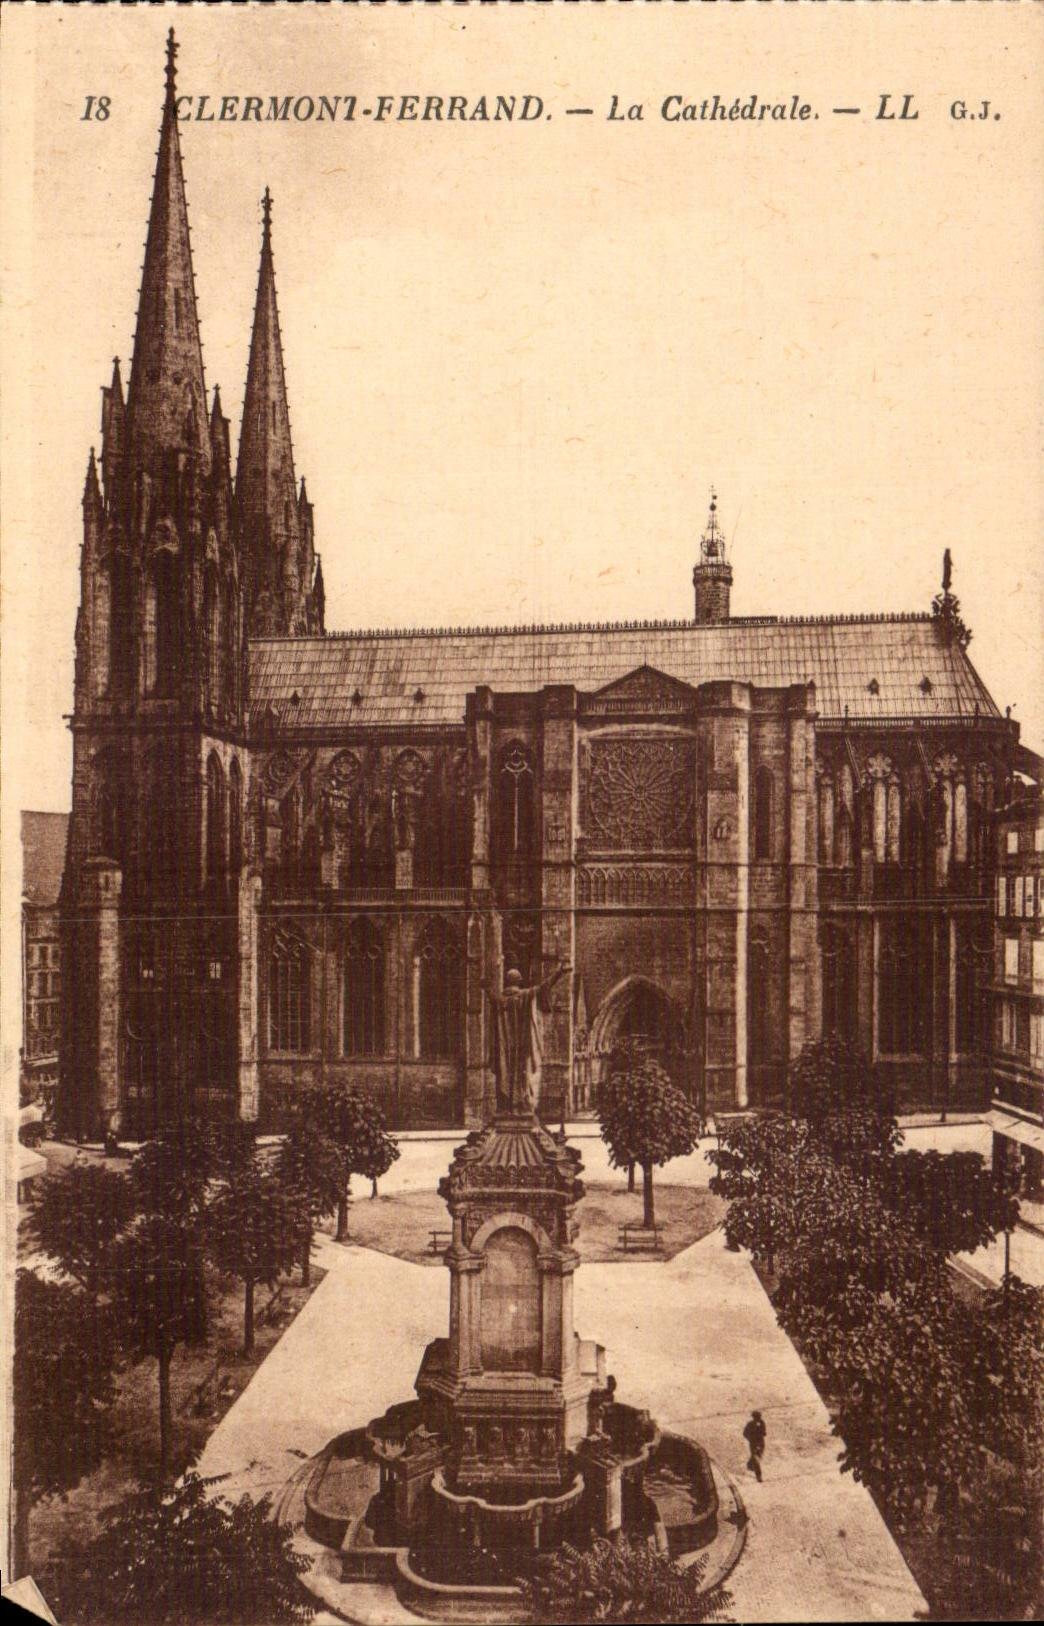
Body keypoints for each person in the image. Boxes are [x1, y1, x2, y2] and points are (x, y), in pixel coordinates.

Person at [743, 1409, 766, 1482]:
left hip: (760, 1443)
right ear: (754, 1417)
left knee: (757, 1456)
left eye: (759, 1416)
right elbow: (745, 1433)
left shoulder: (762, 1422)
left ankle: (749, 1464)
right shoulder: (750, 1424)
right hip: (754, 1443)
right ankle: (758, 1476)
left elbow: (764, 1433)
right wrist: (750, 1438)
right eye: (758, 1417)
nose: (759, 1418)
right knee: (756, 1460)